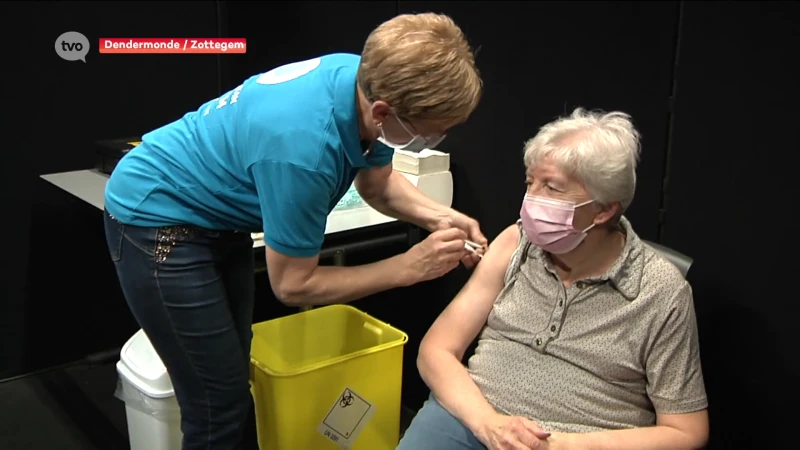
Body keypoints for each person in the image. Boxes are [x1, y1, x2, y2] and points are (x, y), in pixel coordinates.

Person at [102, 13, 487, 450]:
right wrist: (408, 267)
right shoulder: (304, 152)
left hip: (214, 215)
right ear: (383, 111)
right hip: (157, 219)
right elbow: (293, 284)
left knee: (232, 375)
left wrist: (437, 216)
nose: (434, 139)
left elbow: (376, 182)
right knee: (215, 403)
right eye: (430, 132)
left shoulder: (363, 78)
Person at [397, 108, 709, 450]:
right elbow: (436, 350)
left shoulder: (659, 291)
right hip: (471, 417)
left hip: (579, 441)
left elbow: (685, 431)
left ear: (604, 209)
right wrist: (489, 425)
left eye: (553, 188)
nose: (532, 200)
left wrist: (565, 445)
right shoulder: (516, 244)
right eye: (531, 183)